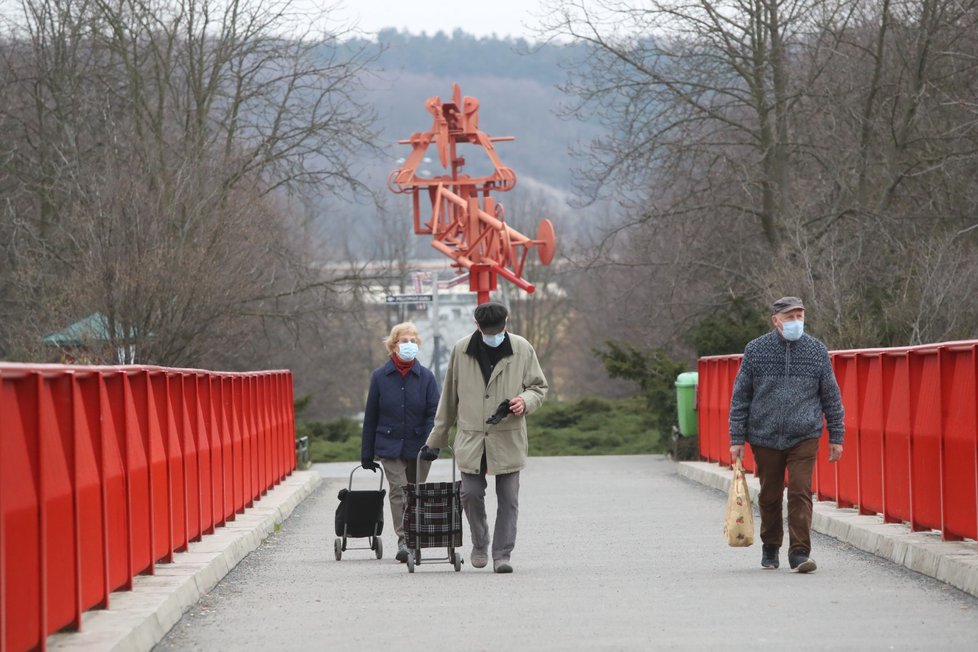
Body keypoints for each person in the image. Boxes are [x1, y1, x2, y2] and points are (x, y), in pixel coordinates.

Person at [420, 301, 548, 574]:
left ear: (506, 324)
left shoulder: (522, 348)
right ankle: (480, 543)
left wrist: (524, 401)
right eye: (488, 330)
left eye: (498, 330)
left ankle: (502, 554)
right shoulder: (461, 350)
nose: (493, 334)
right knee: (470, 494)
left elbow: (538, 387)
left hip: (508, 436)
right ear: (477, 326)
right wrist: (436, 440)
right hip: (472, 437)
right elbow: (449, 399)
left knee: (509, 499)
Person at [728, 296, 845, 573]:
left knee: (800, 490)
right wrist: (736, 439)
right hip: (764, 435)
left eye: (800, 316)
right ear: (776, 320)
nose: (796, 322)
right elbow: (740, 397)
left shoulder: (816, 351)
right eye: (790, 317)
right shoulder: (756, 350)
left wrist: (836, 435)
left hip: (804, 434)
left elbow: (831, 396)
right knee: (769, 494)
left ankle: (800, 552)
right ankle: (770, 546)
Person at [361, 322, 440, 563]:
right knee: (398, 491)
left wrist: (433, 444)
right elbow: (371, 415)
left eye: (413, 341)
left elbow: (434, 413)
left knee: (415, 492)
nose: (409, 345)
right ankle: (404, 539)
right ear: (393, 346)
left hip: (419, 446)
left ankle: (414, 535)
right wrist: (367, 453)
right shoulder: (380, 377)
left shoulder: (426, 377)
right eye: (404, 341)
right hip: (389, 444)